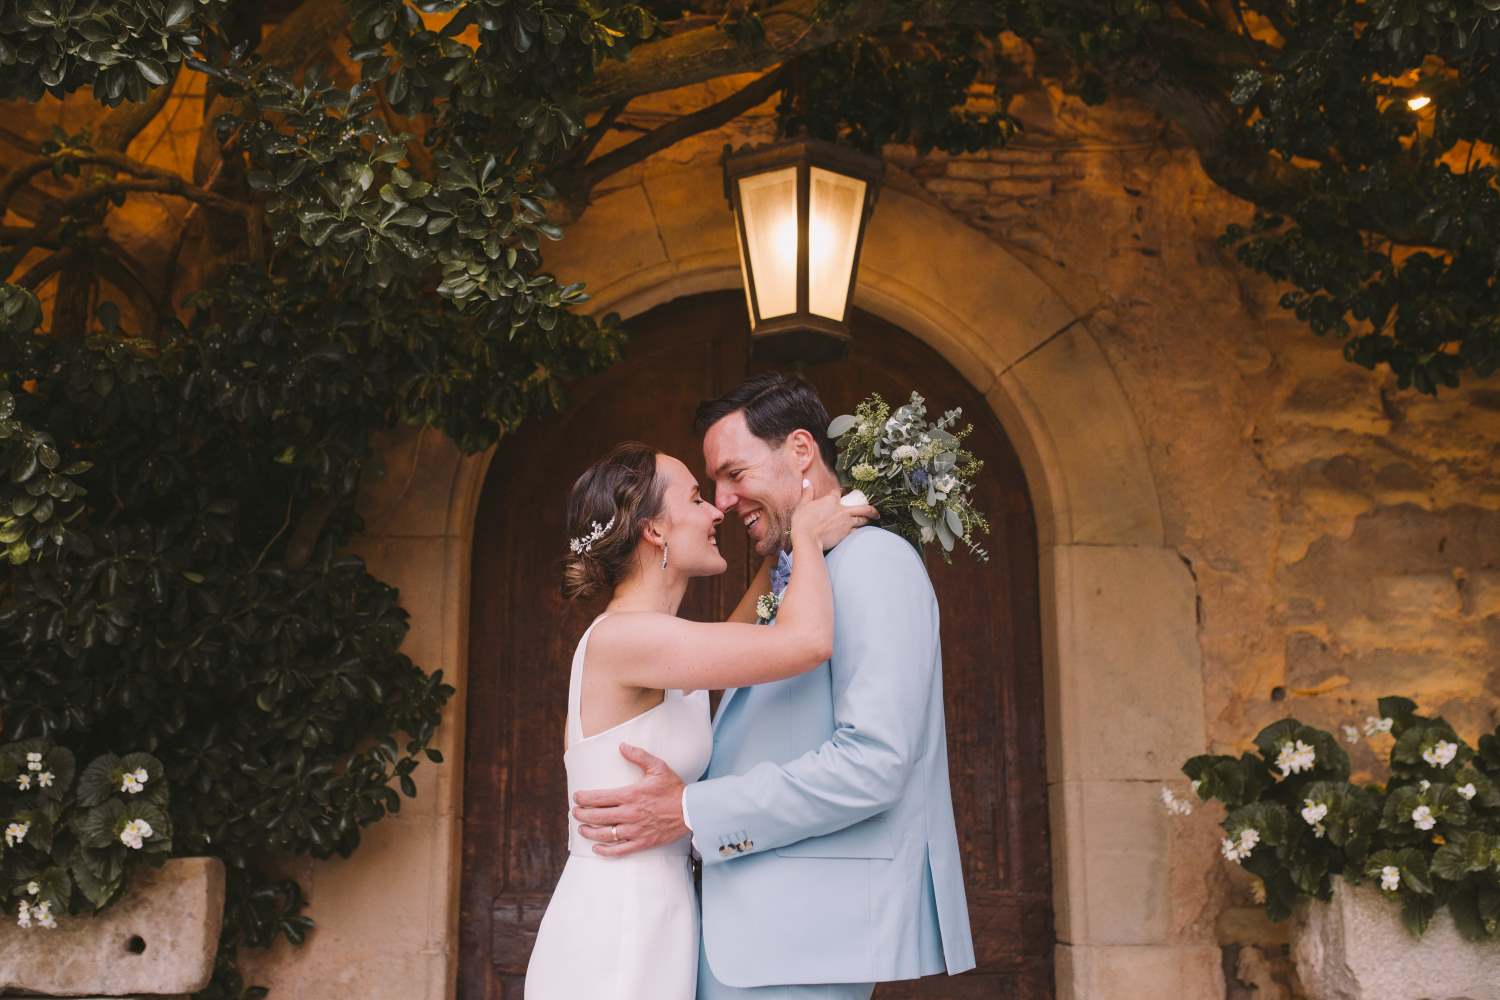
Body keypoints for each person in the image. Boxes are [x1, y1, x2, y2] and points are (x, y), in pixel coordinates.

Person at [571, 373, 977, 1000]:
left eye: (733, 474)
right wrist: (800, 544)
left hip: (795, 942)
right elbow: (786, 642)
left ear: (800, 451)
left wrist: (688, 810)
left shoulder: (874, 564)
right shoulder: (784, 589)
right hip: (712, 936)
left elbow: (874, 763)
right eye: (706, 489)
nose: (722, 501)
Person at [524, 440, 876, 1000]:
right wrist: (807, 537)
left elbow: (745, 637)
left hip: (660, 912)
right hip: (618, 926)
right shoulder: (629, 639)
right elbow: (806, 642)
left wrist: (782, 541)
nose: (717, 511)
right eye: (694, 498)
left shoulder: (664, 643)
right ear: (654, 531)